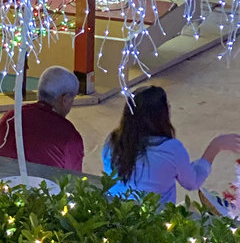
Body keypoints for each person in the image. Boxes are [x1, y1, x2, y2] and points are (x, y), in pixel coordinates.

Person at [102, 84, 240, 205]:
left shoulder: (112, 141)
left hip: (117, 215)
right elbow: (192, 182)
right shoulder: (171, 149)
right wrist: (214, 147)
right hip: (153, 224)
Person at [0, 65, 84, 173]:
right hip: (43, 188)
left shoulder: (11, 117)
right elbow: (74, 181)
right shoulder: (69, 134)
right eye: (72, 100)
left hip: (2, 183)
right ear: (65, 99)